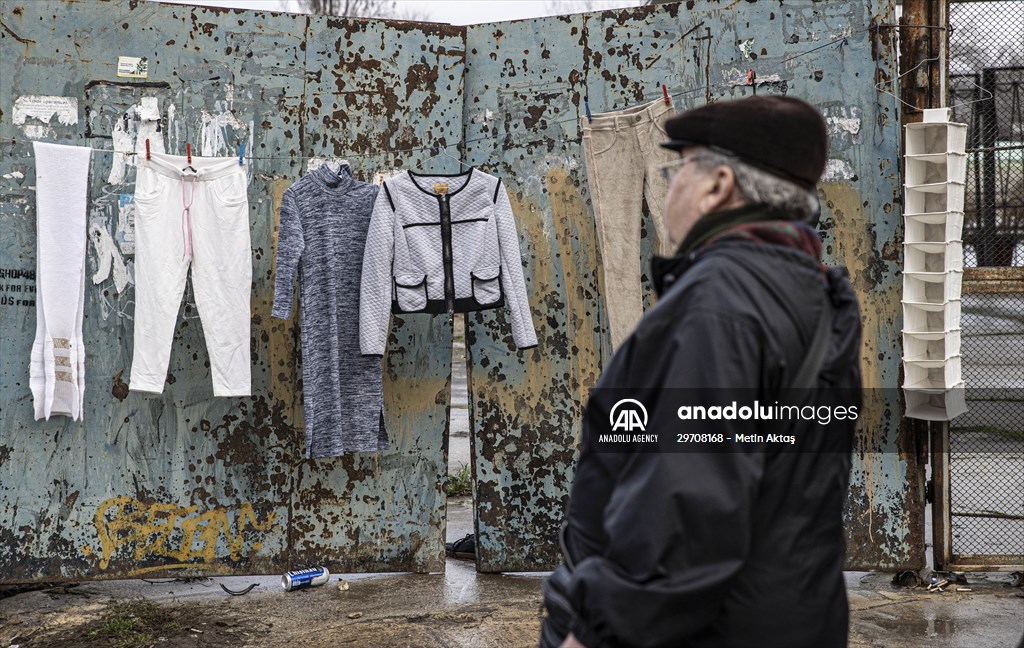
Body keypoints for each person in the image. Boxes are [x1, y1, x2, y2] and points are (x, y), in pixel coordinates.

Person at [541, 95, 863, 648]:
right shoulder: (811, 291)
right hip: (790, 615)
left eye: (677, 168)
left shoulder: (718, 306)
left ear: (717, 186)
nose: (668, 188)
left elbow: (685, 513)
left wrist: (595, 631)